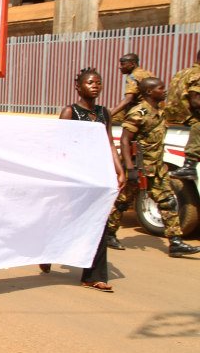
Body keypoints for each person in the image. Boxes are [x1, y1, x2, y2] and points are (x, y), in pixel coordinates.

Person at [40, 68, 126, 288]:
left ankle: (94, 276)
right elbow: (60, 146)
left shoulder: (104, 113)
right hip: (75, 177)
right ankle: (47, 251)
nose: (95, 86)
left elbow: (109, 143)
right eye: (90, 82)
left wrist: (119, 170)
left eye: (98, 82)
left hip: (97, 175)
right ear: (78, 87)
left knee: (98, 221)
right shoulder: (70, 112)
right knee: (69, 219)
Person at [112, 77, 200, 257]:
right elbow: (125, 140)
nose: (164, 90)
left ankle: (175, 242)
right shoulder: (139, 113)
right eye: (160, 88)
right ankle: (108, 233)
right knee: (122, 202)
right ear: (149, 92)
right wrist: (130, 168)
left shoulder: (160, 111)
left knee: (168, 201)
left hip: (156, 168)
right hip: (139, 167)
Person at [165, 50, 200, 180]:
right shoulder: (198, 74)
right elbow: (196, 102)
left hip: (175, 117)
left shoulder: (182, 72)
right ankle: (190, 165)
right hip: (190, 117)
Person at [109, 53, 153, 122]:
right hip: (152, 107)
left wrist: (109, 115)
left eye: (123, 64)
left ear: (132, 64)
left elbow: (128, 99)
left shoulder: (133, 76)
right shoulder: (147, 73)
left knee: (113, 117)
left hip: (141, 108)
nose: (120, 67)